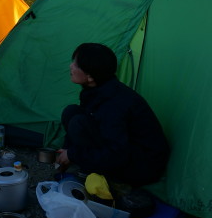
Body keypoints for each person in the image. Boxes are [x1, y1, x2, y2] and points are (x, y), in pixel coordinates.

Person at [57, 43, 170, 186]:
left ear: (90, 76)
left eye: (76, 64)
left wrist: (73, 154)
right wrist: (67, 152)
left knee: (78, 122)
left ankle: (97, 174)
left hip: (143, 166)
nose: (71, 66)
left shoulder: (114, 104)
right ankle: (85, 165)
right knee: (71, 112)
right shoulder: (99, 90)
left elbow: (117, 154)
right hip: (126, 151)